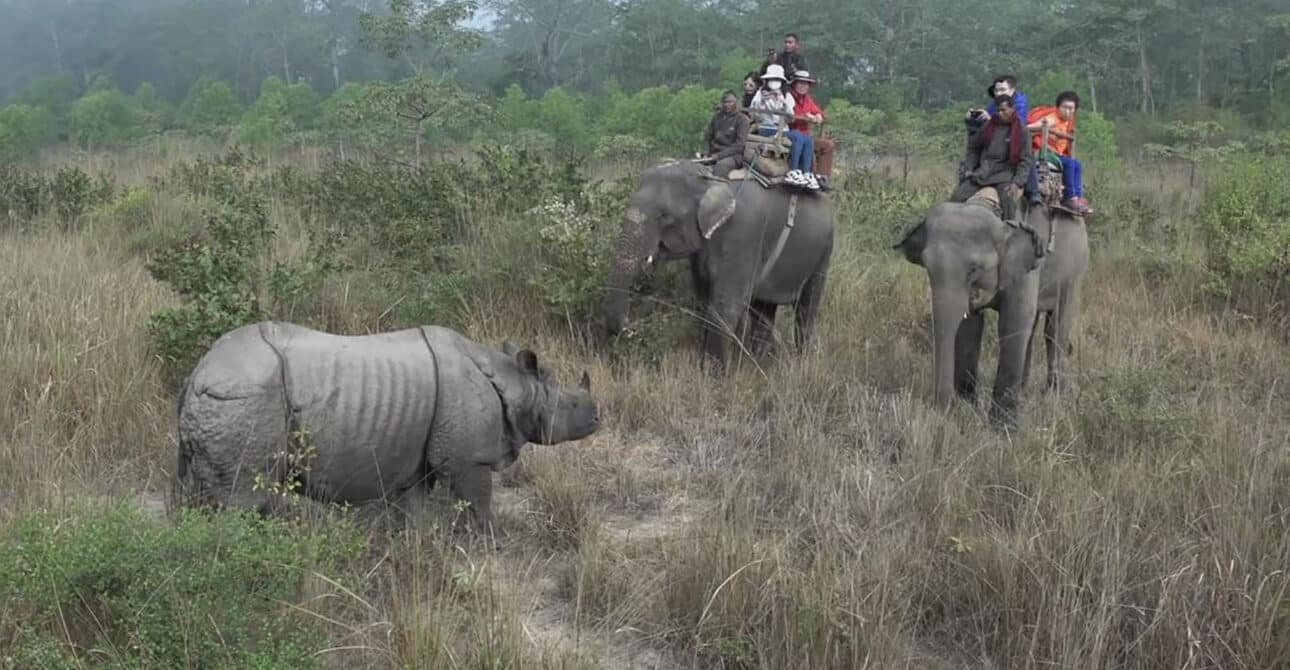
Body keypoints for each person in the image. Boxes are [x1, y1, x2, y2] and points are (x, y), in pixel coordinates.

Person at [951, 93, 1034, 224]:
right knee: (955, 199)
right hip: (983, 173)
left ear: (1013, 109)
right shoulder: (988, 126)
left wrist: (1017, 182)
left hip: (1005, 175)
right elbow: (973, 148)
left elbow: (1026, 160)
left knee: (1009, 206)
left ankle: (1008, 235)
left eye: (1004, 110)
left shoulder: (1022, 131)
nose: (1000, 113)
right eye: (998, 110)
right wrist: (969, 168)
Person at [750, 64, 818, 190]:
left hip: (783, 129)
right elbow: (754, 115)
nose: (774, 82)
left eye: (777, 79)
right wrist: (763, 102)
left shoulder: (786, 95)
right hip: (767, 129)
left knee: (807, 139)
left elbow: (790, 117)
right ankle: (793, 170)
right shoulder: (760, 94)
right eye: (772, 79)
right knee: (797, 136)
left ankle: (806, 172)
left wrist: (782, 102)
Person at [1029, 91, 1092, 215]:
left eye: (1071, 108)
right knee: (1069, 163)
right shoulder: (1052, 119)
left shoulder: (1069, 121)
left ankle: (1079, 197)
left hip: (1058, 153)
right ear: (1058, 107)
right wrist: (1044, 130)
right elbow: (1029, 127)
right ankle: (1070, 197)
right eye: (1065, 108)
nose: (1068, 111)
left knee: (1077, 164)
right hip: (1045, 151)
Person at [787, 70, 833, 191]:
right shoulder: (788, 96)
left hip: (806, 136)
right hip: (791, 133)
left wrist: (819, 116)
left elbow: (818, 111)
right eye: (800, 83)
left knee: (828, 145)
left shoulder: (808, 99)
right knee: (803, 139)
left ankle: (822, 177)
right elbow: (790, 115)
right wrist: (807, 117)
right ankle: (798, 171)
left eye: (806, 84)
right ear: (794, 84)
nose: (803, 86)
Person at [704, 90, 750, 178]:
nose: (727, 105)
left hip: (733, 156)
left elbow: (739, 145)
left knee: (720, 167)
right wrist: (706, 152)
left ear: (736, 102)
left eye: (730, 102)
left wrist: (719, 156)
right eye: (725, 102)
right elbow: (709, 137)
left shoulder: (742, 120)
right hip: (714, 153)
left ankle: (719, 190)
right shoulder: (717, 117)